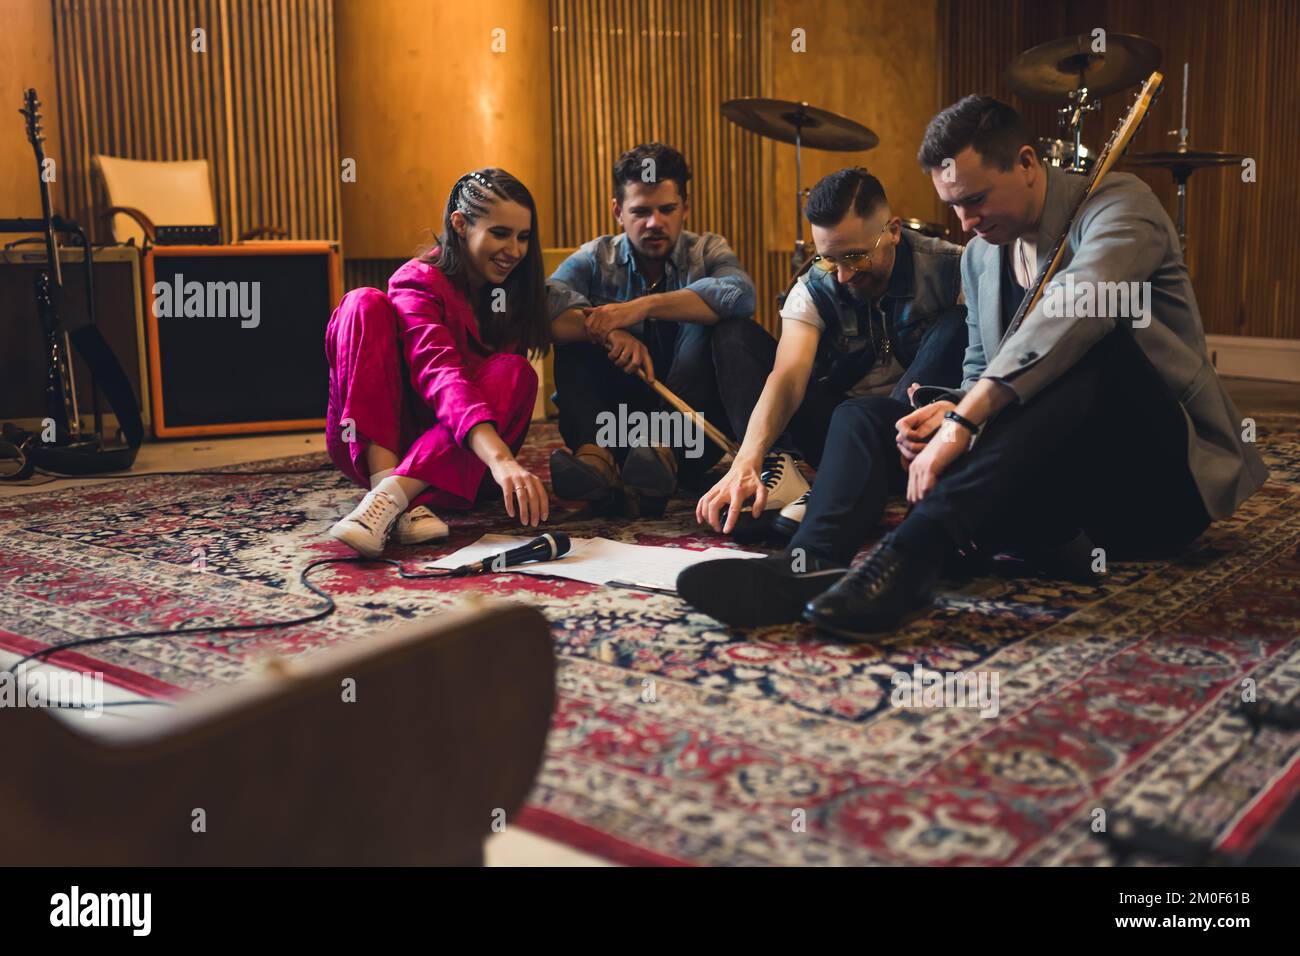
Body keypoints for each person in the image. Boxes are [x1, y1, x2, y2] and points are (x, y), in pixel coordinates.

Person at [792, 95, 1268, 638]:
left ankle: (914, 552)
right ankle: (810, 562)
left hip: (1157, 489)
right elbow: (978, 365)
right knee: (867, 418)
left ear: (1025, 163)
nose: (965, 223)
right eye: (952, 207)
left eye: (974, 200)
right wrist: (952, 407)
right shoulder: (978, 255)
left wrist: (967, 419)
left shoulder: (1121, 206)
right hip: (1060, 485)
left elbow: (1080, 310)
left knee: (1094, 349)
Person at [678, 168, 968, 625]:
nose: (845, 274)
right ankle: (790, 477)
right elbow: (788, 376)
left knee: (957, 326)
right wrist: (747, 461)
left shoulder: (954, 268)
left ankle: (828, 501)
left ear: (893, 231)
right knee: (738, 339)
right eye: (832, 261)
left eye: (855, 256)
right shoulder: (815, 284)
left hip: (918, 438)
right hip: (843, 432)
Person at [547, 143, 786, 515]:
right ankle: (595, 459)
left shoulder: (707, 250)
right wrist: (607, 330)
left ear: (685, 208)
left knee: (718, 323)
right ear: (617, 212)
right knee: (580, 325)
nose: (654, 223)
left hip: (688, 431)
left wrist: (638, 308)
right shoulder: (595, 257)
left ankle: (662, 456)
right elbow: (544, 305)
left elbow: (741, 295)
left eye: (666, 210)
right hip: (614, 427)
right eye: (640, 212)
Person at [325, 168, 551, 558]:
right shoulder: (418, 280)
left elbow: (576, 318)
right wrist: (501, 460)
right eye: (500, 233)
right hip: (384, 442)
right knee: (362, 301)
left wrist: (610, 327)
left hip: (463, 461)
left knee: (516, 372)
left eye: (523, 237)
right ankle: (387, 491)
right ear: (460, 225)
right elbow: (440, 373)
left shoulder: (518, 293)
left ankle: (393, 498)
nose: (514, 250)